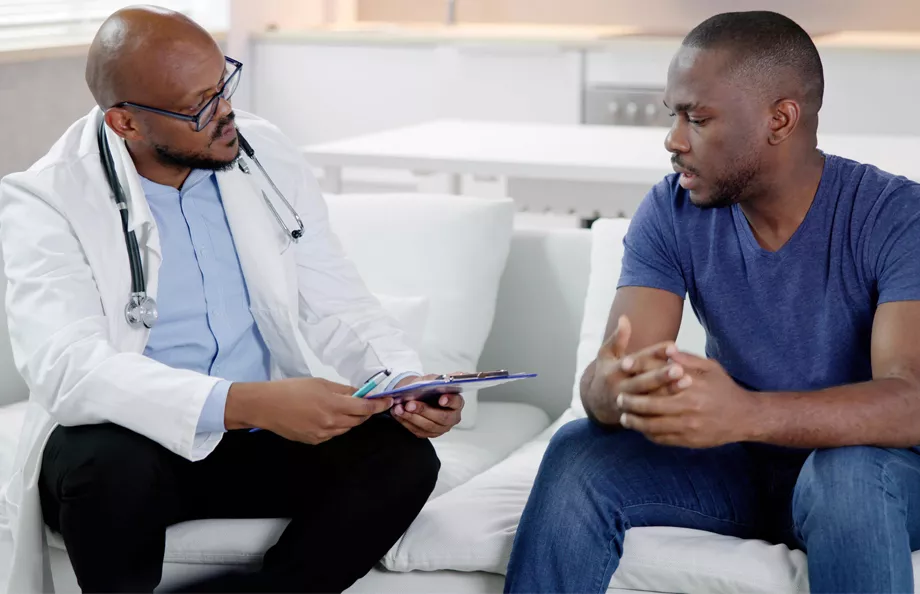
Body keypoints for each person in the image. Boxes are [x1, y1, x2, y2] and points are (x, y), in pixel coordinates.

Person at [0, 6, 465, 593]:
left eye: (224, 83)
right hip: (133, 444)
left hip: (249, 442)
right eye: (199, 104)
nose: (225, 111)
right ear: (126, 123)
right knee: (105, 465)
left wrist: (402, 383)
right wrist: (246, 403)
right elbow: (68, 368)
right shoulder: (45, 198)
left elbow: (337, 301)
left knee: (402, 457)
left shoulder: (262, 152)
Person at [505, 10, 920, 594]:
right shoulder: (671, 211)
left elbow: (910, 403)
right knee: (580, 450)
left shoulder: (895, 216)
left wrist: (748, 414)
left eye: (697, 119)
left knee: (844, 471)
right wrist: (616, 388)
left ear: (781, 118)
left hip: (876, 474)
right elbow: (608, 377)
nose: (674, 140)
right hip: (741, 465)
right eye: (673, 116)